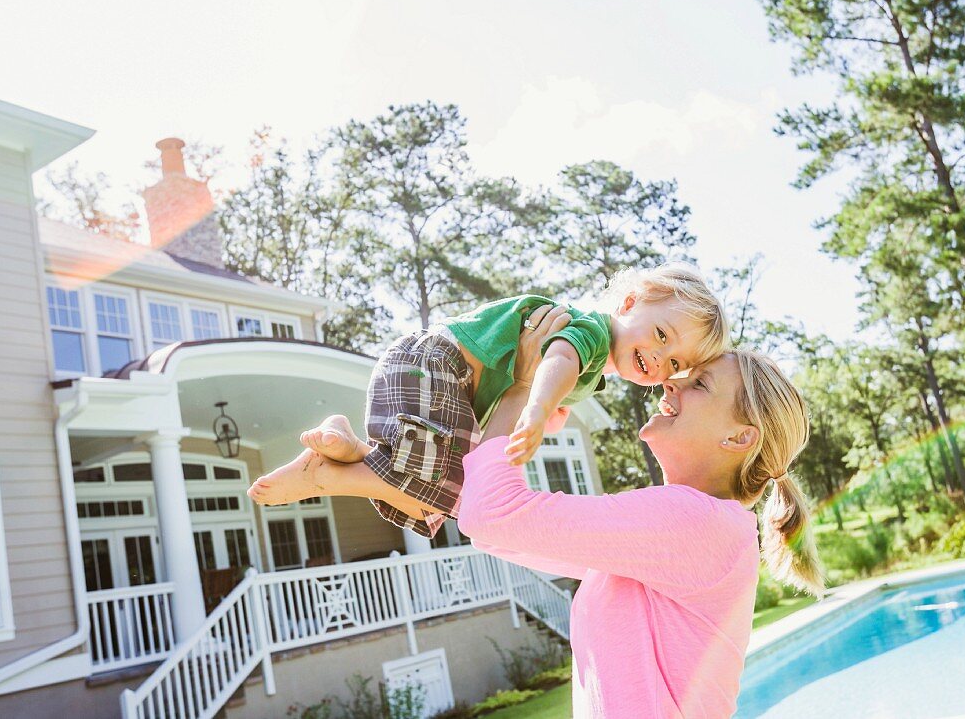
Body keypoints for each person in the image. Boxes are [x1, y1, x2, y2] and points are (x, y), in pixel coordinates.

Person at [249, 305, 824, 718]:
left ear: (739, 438)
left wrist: (524, 385)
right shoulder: (687, 528)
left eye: (696, 384)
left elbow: (493, 515)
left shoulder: (698, 523)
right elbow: (491, 524)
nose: (668, 387)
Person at [248, 264, 728, 539]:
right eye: (661, 335)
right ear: (629, 304)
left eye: (674, 363)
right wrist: (539, 406)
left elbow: (545, 385)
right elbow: (556, 360)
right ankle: (326, 477)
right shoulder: (593, 334)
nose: (659, 360)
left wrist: (547, 412)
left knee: (437, 505)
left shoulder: (596, 367)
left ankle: (349, 449)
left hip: (429, 377)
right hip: (435, 366)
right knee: (460, 492)